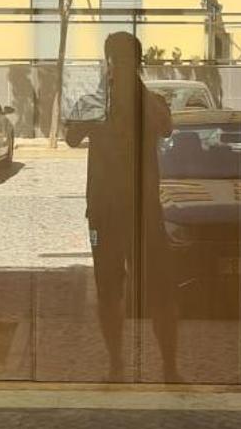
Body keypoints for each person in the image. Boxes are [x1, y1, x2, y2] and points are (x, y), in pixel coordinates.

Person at [64, 32, 181, 384]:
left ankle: (168, 367)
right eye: (116, 61)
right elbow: (70, 137)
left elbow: (165, 126)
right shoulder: (96, 104)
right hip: (105, 212)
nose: (118, 68)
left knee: (159, 290)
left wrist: (130, 93)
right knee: (109, 291)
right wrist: (100, 105)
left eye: (123, 61)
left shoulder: (151, 103)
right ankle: (119, 364)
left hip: (141, 213)